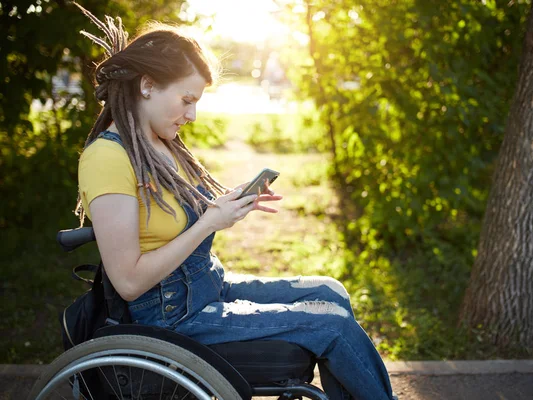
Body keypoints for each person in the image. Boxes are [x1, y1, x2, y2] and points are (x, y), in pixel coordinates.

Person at [73, 4, 396, 400]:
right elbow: (127, 282)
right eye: (186, 99)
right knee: (331, 325)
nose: (192, 115)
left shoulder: (157, 143)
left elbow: (179, 220)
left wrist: (226, 205)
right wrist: (209, 222)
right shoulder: (107, 158)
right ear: (147, 85)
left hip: (206, 288)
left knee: (331, 291)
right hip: (171, 319)